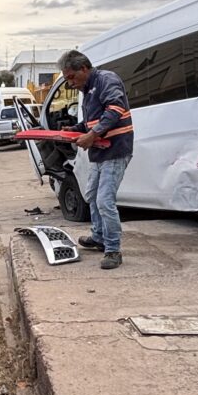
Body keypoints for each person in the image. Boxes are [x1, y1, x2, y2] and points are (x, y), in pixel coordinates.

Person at [57, 49, 133, 269]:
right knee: (91, 194)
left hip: (115, 150)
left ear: (84, 68)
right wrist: (76, 129)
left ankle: (113, 249)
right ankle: (99, 236)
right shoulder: (88, 89)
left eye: (72, 77)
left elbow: (115, 109)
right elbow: (92, 121)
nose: (71, 83)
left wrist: (92, 135)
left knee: (104, 200)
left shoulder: (106, 80)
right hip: (100, 152)